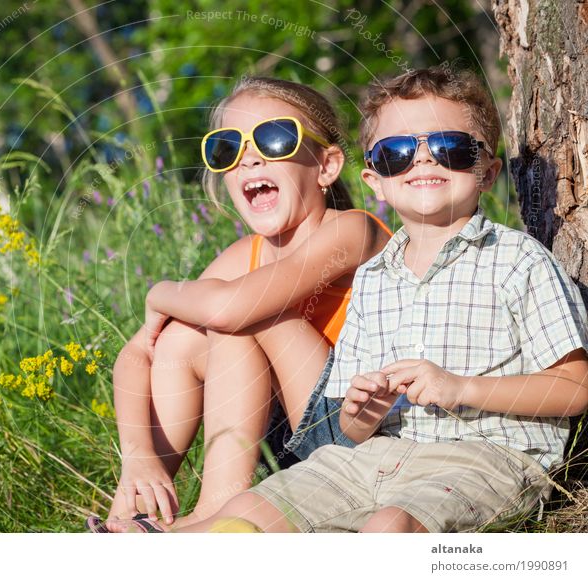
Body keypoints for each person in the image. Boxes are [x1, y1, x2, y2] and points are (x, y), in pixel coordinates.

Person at [172, 66, 588, 533]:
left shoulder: (519, 260)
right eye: (398, 153)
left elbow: (575, 388)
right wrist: (360, 409)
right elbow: (352, 432)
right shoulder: (372, 278)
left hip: (484, 457)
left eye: (450, 148)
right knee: (240, 518)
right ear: (375, 180)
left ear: (487, 171)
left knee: (389, 528)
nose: (424, 162)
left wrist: (461, 389)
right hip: (371, 458)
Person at [86, 76, 392, 532]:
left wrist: (160, 291)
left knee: (243, 317)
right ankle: (139, 508)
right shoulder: (242, 256)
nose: (250, 157)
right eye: (228, 148)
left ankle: (213, 514)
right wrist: (138, 458)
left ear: (326, 166)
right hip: (290, 444)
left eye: (275, 139)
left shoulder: (354, 229)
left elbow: (232, 308)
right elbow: (136, 355)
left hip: (359, 432)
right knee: (179, 340)